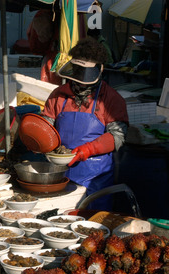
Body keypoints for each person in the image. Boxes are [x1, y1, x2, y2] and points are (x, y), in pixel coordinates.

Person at [41, 37, 129, 210]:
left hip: (95, 178)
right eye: (77, 73)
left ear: (99, 70)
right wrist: (38, 138)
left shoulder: (111, 99)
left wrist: (88, 149)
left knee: (93, 224)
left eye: (85, 75)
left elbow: (118, 136)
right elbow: (46, 124)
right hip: (59, 174)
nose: (79, 82)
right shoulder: (58, 94)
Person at [26, 9, 62, 85]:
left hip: (52, 56)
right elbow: (42, 37)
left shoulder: (43, 14)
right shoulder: (44, 15)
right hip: (53, 58)